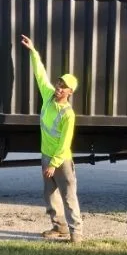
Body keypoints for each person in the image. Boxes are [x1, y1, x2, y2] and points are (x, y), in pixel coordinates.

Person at [20, 34, 83, 243]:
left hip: (61, 160)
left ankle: (76, 234)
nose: (58, 88)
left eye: (63, 86)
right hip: (47, 156)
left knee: (68, 197)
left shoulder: (68, 114)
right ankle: (59, 227)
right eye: (58, 84)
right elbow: (40, 75)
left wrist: (54, 164)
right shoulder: (48, 97)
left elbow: (65, 144)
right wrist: (33, 52)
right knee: (50, 195)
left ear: (70, 92)